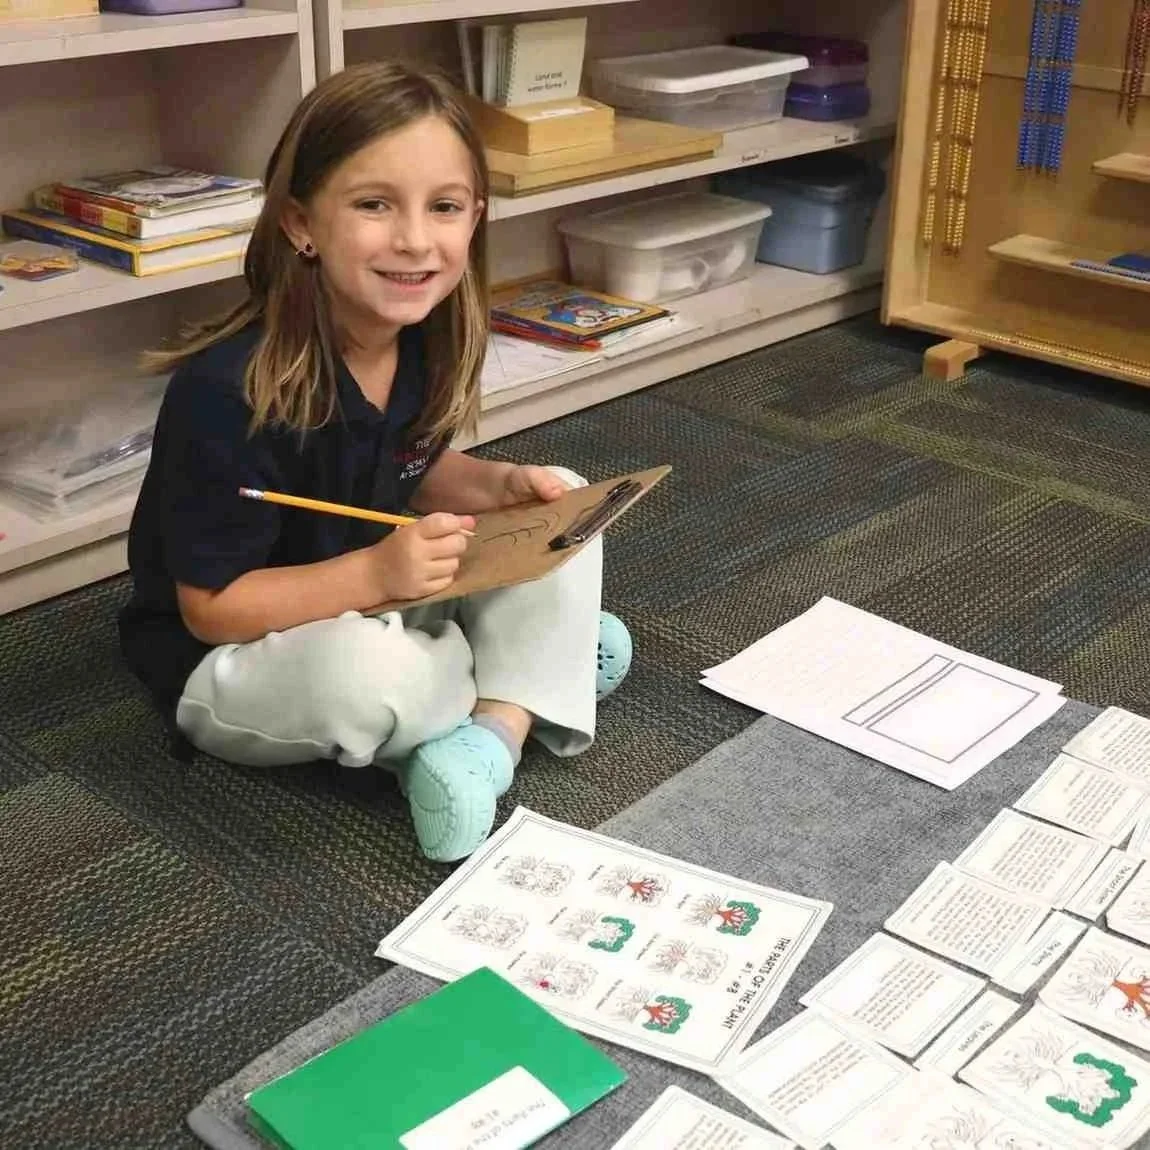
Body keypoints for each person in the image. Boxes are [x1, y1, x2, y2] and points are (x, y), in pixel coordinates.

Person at [116, 60, 634, 863]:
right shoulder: (224, 394)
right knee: (369, 676)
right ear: (300, 226)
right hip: (235, 657)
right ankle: (524, 680)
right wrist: (377, 582)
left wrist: (496, 486)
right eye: (373, 205)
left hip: (373, 592)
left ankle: (487, 737)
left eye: (445, 208)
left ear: (476, 220)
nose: (415, 240)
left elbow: (408, 467)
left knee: (562, 500)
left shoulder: (416, 336)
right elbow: (211, 612)